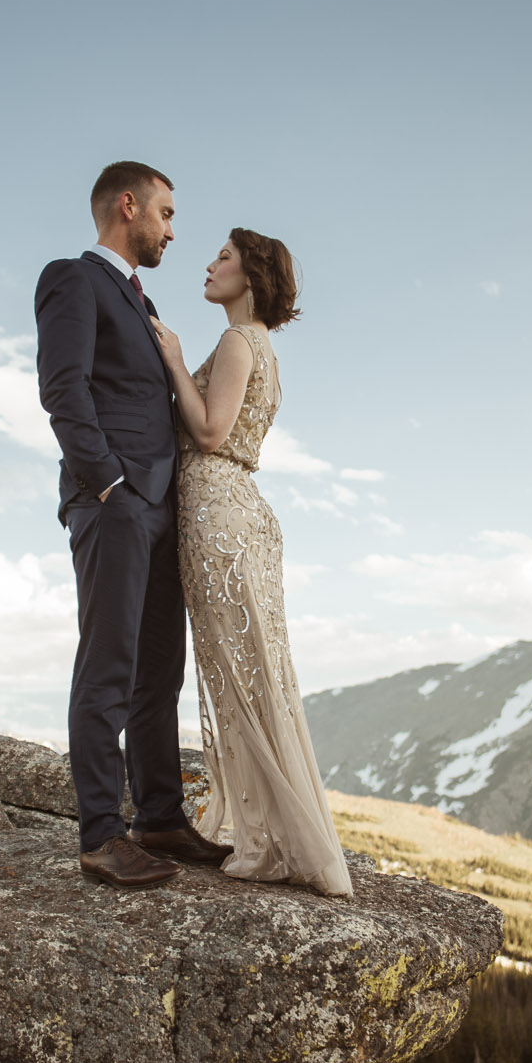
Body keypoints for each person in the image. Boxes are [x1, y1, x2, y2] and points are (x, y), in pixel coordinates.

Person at [35, 163, 233, 887]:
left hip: (159, 506)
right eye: (167, 214)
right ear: (129, 206)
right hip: (113, 503)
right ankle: (99, 836)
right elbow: (63, 387)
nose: (173, 231)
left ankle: (158, 818)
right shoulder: (73, 279)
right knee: (109, 666)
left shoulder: (137, 298)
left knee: (159, 671)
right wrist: (109, 482)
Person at [152, 231, 352, 897]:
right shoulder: (259, 346)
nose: (208, 266)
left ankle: (274, 837)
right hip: (237, 511)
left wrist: (175, 362)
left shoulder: (239, 342)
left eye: (223, 258)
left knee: (238, 673)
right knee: (253, 669)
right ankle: (276, 827)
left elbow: (209, 432)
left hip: (217, 508)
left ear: (252, 272)